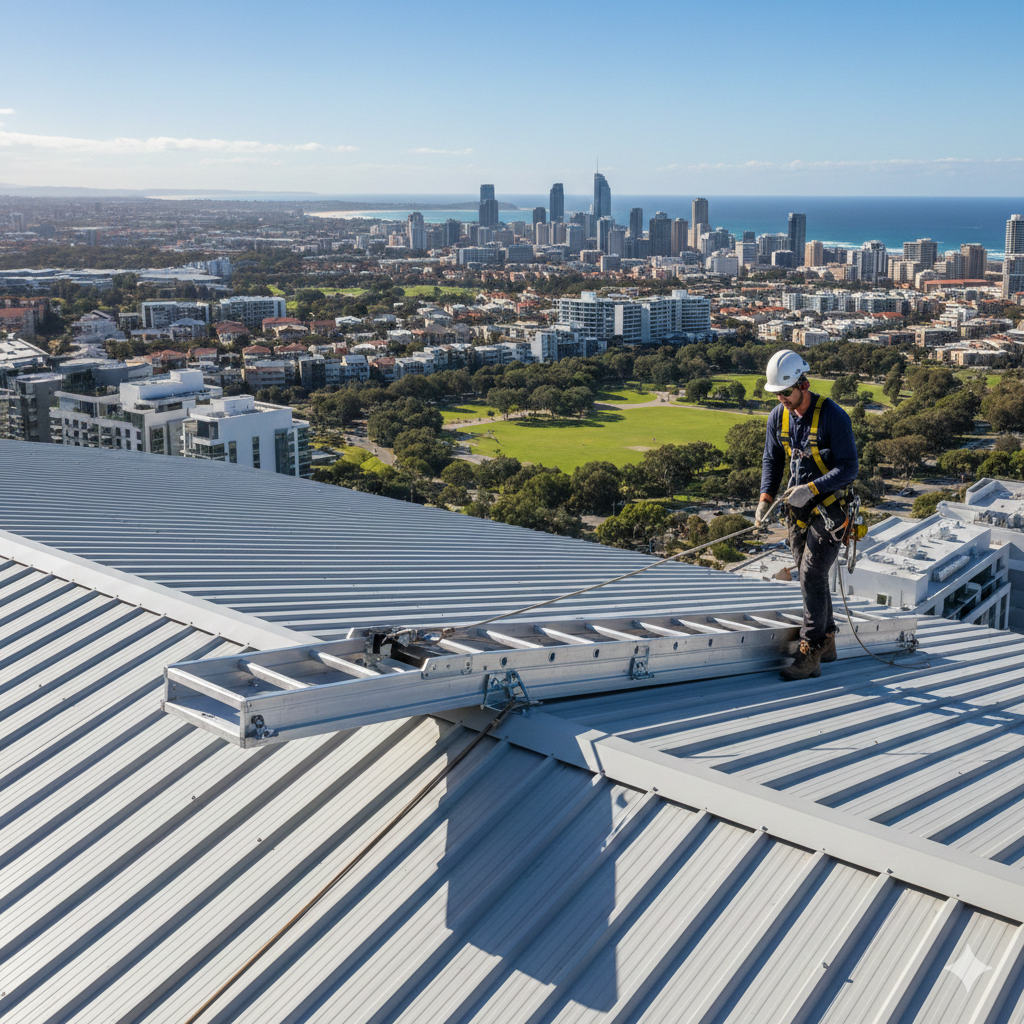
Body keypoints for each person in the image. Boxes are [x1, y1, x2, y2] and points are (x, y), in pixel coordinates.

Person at [755, 350, 859, 680]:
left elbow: (849, 467)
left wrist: (812, 489)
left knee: (812, 574)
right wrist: (765, 498)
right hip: (797, 511)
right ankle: (827, 641)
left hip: (831, 510)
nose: (783, 399)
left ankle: (811, 649)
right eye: (777, 394)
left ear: (804, 384)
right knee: (804, 573)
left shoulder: (833, 417)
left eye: (787, 392)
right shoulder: (779, 417)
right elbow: (772, 461)